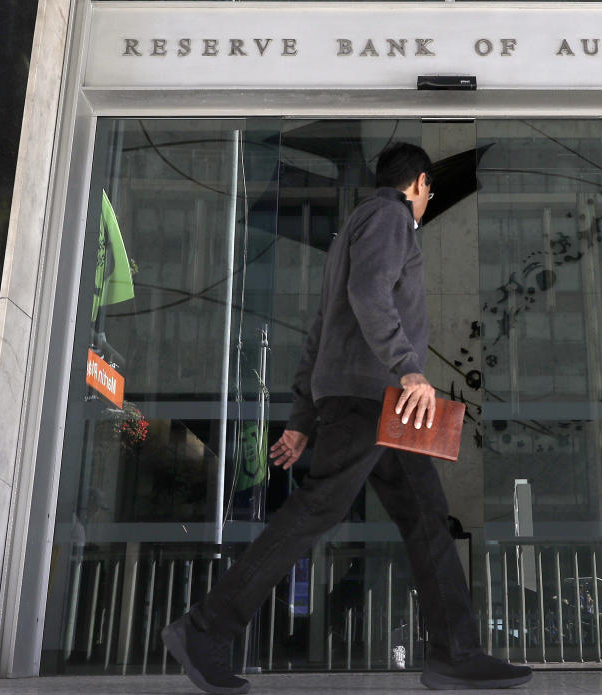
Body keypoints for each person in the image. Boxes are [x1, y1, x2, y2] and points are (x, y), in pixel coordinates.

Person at [161, 143, 533, 694]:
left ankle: (456, 652)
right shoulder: (391, 217)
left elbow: (321, 332)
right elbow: (368, 295)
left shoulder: (354, 231)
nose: (428, 199)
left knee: (427, 518)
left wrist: (302, 418)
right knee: (316, 511)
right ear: (420, 184)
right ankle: (204, 629)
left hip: (378, 407)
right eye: (430, 191)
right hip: (376, 400)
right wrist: (409, 368)